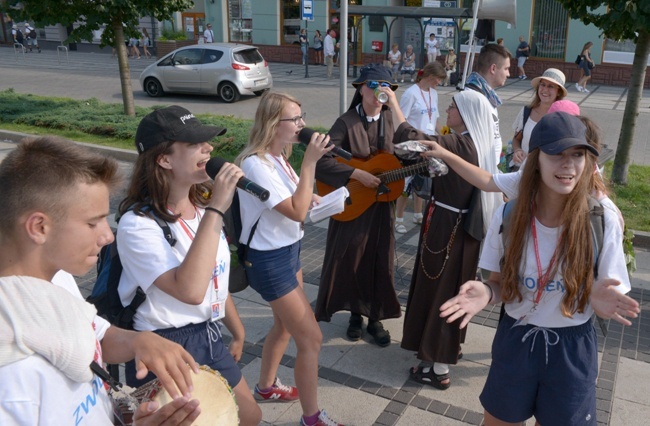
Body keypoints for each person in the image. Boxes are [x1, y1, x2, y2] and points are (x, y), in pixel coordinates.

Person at [439, 112, 640, 425]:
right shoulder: (509, 215)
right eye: (557, 155)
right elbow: (499, 284)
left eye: (577, 155)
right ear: (536, 159)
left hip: (572, 347)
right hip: (516, 340)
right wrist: (485, 292)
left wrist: (600, 300)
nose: (569, 166)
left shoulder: (601, 219)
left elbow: (605, 295)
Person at [0, 136, 202, 425]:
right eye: (93, 222)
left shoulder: (55, 281)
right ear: (39, 227)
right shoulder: (11, 378)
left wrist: (139, 340)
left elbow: (95, 333)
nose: (108, 237)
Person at [115, 106, 262, 426]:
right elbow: (190, 290)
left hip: (207, 332)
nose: (208, 149)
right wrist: (218, 208)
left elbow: (213, 278)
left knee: (250, 416)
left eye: (207, 142)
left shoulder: (202, 209)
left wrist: (236, 331)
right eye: (194, 143)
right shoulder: (137, 225)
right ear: (164, 159)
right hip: (164, 345)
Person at [235, 92, 343, 426]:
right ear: (272, 124)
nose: (302, 125)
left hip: (288, 250)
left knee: (284, 325)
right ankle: (311, 419)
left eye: (302, 117)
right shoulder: (255, 163)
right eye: (294, 120)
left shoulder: (279, 157)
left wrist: (322, 199)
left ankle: (266, 387)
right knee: (311, 338)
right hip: (268, 261)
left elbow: (299, 199)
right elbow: (295, 211)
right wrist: (310, 162)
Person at [392, 89, 503, 390]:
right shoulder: (477, 144)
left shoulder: (457, 143)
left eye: (452, 106)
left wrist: (392, 102)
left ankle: (439, 367)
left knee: (441, 289)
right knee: (451, 288)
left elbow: (411, 139)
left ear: (466, 114)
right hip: (464, 227)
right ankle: (442, 350)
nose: (448, 110)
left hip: (447, 225)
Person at [314, 64, 402, 348]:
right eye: (372, 86)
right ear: (361, 88)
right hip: (353, 203)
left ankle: (374, 318)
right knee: (351, 258)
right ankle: (355, 315)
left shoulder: (394, 122)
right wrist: (356, 174)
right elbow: (321, 159)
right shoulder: (345, 122)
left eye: (385, 88)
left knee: (379, 259)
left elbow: (408, 156)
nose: (378, 93)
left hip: (381, 205)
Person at [395, 62, 447, 234]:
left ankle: (418, 215)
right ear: (431, 77)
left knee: (423, 181)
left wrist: (445, 133)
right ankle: (399, 218)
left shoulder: (434, 93)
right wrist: (411, 140)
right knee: (407, 183)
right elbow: (401, 120)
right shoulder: (411, 93)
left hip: (430, 144)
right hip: (413, 145)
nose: (439, 83)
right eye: (439, 79)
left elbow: (435, 118)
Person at [464, 43, 511, 168]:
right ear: (493, 69)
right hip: (479, 171)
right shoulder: (473, 97)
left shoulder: (486, 96)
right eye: (506, 69)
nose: (508, 74)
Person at [510, 68, 567, 169]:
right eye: (542, 84)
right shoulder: (526, 111)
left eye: (551, 86)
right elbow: (516, 139)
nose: (545, 90)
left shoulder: (561, 119)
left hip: (546, 174)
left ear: (558, 92)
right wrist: (517, 150)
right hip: (521, 171)